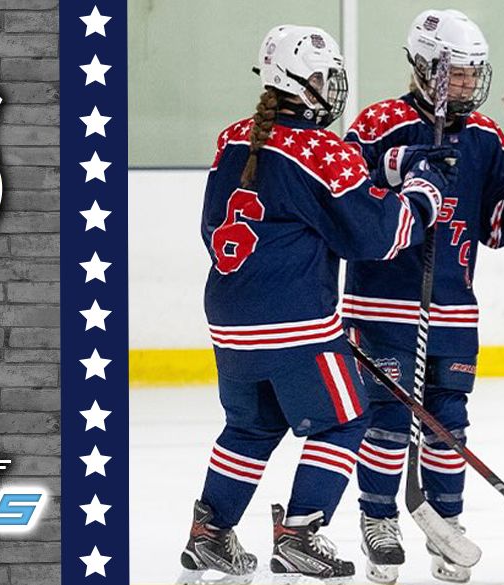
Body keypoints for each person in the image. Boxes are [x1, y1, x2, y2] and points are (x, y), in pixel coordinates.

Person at [177, 25, 458, 584]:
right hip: (297, 324)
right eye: (326, 78)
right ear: (301, 82)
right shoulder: (319, 150)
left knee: (251, 429)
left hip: (230, 318)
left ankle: (210, 534)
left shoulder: (233, 139)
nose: (332, 88)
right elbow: (375, 235)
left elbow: (229, 221)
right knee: (346, 420)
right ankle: (301, 534)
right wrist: (425, 192)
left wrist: (389, 169)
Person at [341, 9, 504, 584]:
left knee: (450, 426)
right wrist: (401, 164)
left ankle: (447, 525)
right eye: (454, 73)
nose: (465, 85)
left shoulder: (488, 137)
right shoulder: (378, 123)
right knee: (389, 421)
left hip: (453, 309)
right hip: (380, 305)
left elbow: (496, 227)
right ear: (422, 67)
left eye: (472, 74)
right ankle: (378, 519)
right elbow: (345, 194)